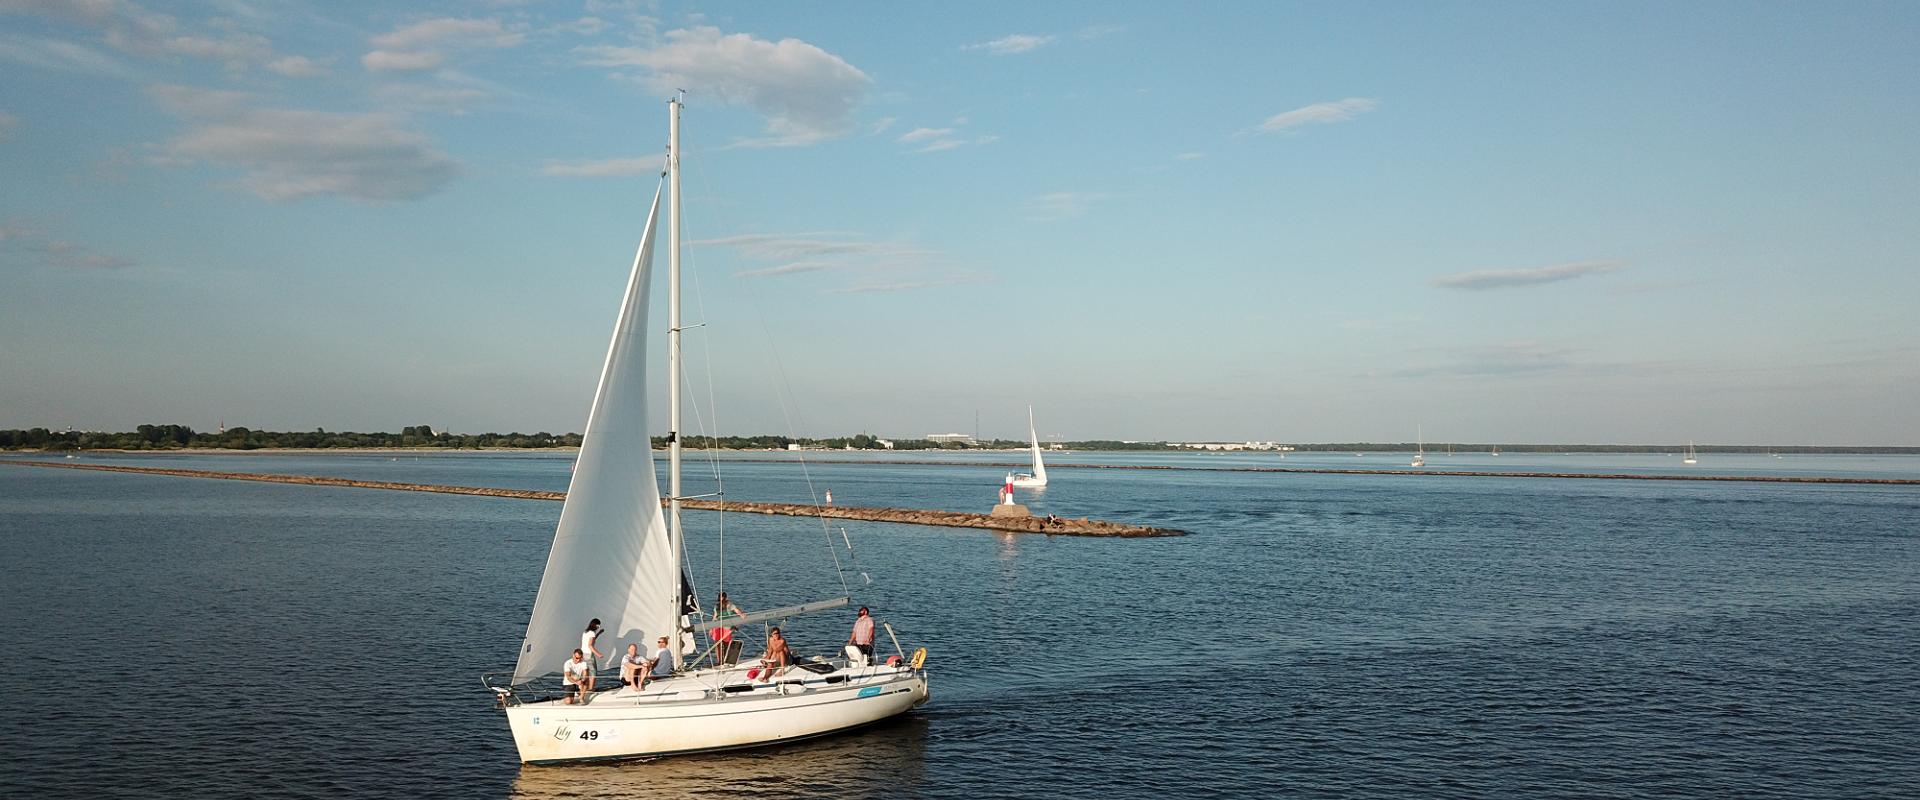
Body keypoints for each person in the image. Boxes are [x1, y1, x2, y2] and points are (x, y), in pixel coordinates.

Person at [711, 591, 744, 666]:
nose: (721, 599)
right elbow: (715, 617)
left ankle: (724, 660)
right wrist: (711, 628)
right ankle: (719, 661)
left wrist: (742, 615)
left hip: (727, 627)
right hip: (717, 626)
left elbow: (737, 610)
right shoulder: (717, 606)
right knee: (717, 644)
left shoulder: (730, 605)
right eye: (720, 598)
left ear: (725, 598)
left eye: (723, 597)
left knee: (726, 644)